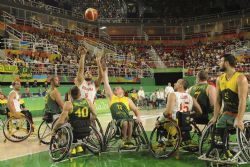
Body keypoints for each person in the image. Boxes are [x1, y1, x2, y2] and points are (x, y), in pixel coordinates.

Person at [209, 54, 248, 158]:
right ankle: (226, 150)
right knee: (218, 125)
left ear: (226, 63)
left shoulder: (240, 78)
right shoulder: (219, 79)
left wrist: (239, 119)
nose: (219, 64)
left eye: (220, 61)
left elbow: (243, 100)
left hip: (239, 113)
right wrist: (215, 116)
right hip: (227, 113)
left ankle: (244, 147)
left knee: (242, 127)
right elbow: (217, 101)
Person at [103, 66, 142, 148]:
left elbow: (135, 109)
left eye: (119, 88)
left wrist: (138, 117)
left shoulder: (127, 99)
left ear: (122, 91)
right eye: (116, 88)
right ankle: (123, 140)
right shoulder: (112, 97)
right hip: (117, 119)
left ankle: (129, 140)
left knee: (130, 122)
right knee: (125, 122)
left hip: (127, 118)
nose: (116, 88)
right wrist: (105, 71)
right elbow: (106, 82)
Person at [52, 86, 97, 155]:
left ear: (70, 94)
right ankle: (78, 146)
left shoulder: (68, 104)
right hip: (87, 130)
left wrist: (54, 129)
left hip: (74, 132)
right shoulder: (88, 101)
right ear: (80, 94)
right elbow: (95, 115)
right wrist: (87, 119)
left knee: (63, 128)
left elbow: (60, 121)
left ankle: (64, 146)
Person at [156, 79, 202, 146]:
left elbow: (168, 112)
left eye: (177, 82)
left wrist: (159, 120)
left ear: (181, 85)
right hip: (185, 123)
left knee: (159, 119)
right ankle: (178, 138)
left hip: (174, 123)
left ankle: (163, 140)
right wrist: (188, 116)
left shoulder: (173, 94)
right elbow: (200, 112)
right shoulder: (191, 97)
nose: (174, 84)